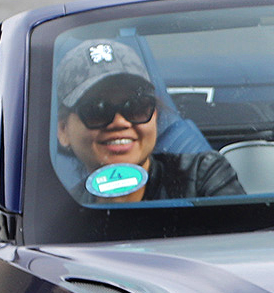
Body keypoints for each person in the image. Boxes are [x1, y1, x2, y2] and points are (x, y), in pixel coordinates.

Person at [55, 40, 242, 203]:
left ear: (155, 115)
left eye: (137, 107)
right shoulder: (61, 216)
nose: (120, 122)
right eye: (97, 110)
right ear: (63, 130)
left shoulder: (203, 176)